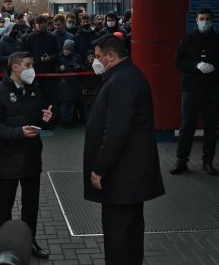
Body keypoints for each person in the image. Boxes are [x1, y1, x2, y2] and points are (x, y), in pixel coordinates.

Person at [83, 34, 164, 265]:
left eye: (98, 57)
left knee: (119, 236)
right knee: (130, 233)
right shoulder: (124, 76)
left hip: (122, 175)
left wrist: (100, 168)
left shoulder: (122, 81)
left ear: (110, 56)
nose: (95, 61)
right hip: (129, 176)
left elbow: (116, 130)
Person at [0, 52, 53, 260]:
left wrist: (46, 119)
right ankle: (3, 248)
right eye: (28, 64)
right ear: (14, 67)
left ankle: (29, 241)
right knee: (4, 206)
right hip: (9, 159)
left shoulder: (34, 89)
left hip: (32, 157)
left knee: (31, 206)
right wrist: (18, 133)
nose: (32, 68)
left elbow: (38, 120)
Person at [171, 8, 219, 175]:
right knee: (187, 125)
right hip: (191, 89)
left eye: (208, 18)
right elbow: (178, 61)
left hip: (213, 89)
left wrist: (216, 67)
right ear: (196, 20)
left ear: (213, 20)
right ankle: (181, 160)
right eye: (202, 18)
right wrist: (195, 66)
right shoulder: (188, 39)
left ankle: (208, 161)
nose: (205, 21)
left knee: (211, 126)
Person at [56, 40, 83, 127]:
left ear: (71, 50)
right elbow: (53, 69)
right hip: (62, 84)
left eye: (68, 49)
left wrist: (78, 67)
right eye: (64, 49)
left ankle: (69, 121)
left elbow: (82, 67)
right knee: (64, 105)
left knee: (71, 105)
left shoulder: (77, 57)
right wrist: (59, 69)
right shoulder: (59, 57)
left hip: (73, 84)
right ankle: (64, 121)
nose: (66, 51)